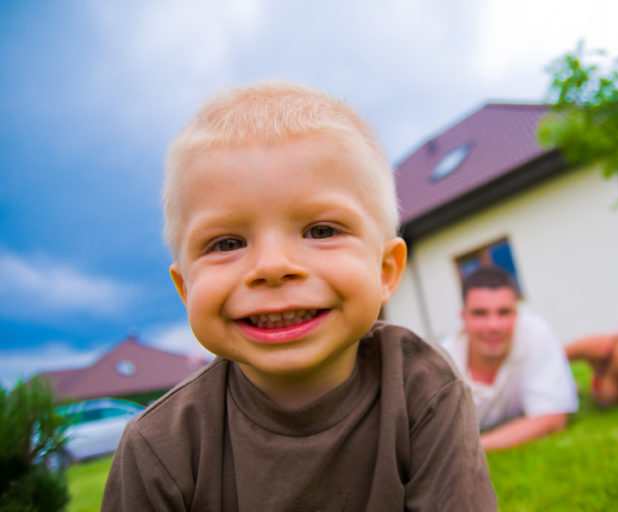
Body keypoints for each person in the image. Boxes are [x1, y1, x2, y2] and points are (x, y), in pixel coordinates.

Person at [102, 82, 496, 511]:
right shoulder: (157, 448)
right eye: (227, 243)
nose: (272, 266)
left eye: (321, 231)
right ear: (185, 288)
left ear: (385, 271)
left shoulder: (424, 390)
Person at [441, 266, 578, 452]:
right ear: (464, 318)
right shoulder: (441, 363)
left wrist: (474, 446)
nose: (494, 325)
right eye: (480, 313)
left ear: (516, 314)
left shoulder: (535, 332)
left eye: (504, 312)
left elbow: (552, 418)